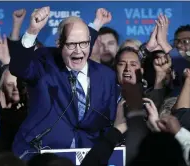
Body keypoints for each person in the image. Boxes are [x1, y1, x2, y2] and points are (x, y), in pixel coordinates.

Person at [7, 7, 117, 158]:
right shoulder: (45, 63)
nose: (78, 51)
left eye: (84, 43)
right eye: (71, 45)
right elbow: (18, 67)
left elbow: (108, 123)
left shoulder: (107, 77)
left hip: (88, 158)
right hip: (41, 156)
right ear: (59, 44)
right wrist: (32, 30)